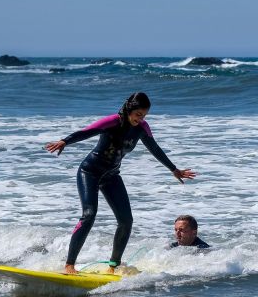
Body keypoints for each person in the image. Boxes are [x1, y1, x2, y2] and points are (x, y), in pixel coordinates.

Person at [45, 92, 196, 274]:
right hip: (90, 172)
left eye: (144, 116)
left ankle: (113, 267)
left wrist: (174, 169)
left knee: (126, 221)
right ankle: (69, 265)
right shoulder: (112, 121)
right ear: (129, 110)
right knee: (89, 214)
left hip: (111, 175)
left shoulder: (142, 128)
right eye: (138, 114)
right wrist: (65, 141)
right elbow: (87, 132)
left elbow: (155, 148)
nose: (140, 119)